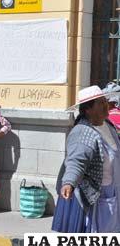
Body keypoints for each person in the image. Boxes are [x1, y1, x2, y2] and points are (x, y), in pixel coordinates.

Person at [52, 85, 120, 233]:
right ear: (88, 109)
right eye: (100, 103)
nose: (105, 105)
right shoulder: (82, 132)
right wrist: (69, 182)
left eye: (105, 101)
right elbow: (77, 161)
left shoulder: (108, 125)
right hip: (94, 199)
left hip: (112, 194)